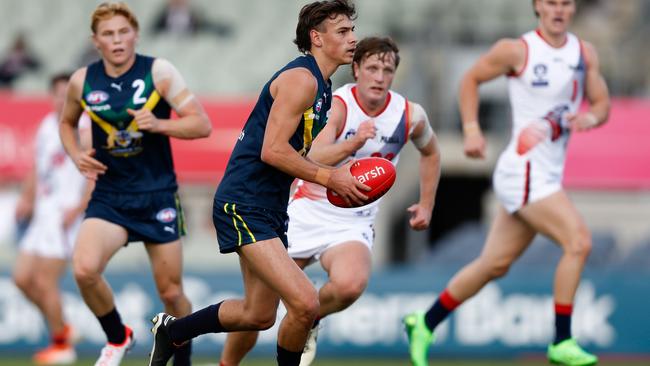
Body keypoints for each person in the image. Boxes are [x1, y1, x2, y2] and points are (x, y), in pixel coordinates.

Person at [147, 1, 364, 366]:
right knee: (306, 303)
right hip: (243, 202)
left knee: (258, 314)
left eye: (352, 30)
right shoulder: (302, 80)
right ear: (317, 38)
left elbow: (292, 154)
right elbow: (273, 151)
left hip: (269, 205)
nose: (353, 38)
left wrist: (337, 168)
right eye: (342, 31)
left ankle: (174, 331)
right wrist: (330, 178)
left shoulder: (322, 86)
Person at [404, 0, 610, 365]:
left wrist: (592, 118)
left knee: (493, 264)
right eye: (551, 3)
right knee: (578, 242)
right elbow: (471, 78)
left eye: (565, 3)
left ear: (574, 8)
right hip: (523, 171)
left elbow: (600, 102)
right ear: (537, 7)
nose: (558, 10)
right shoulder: (518, 49)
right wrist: (470, 129)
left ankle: (425, 321)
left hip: (545, 174)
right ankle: (561, 341)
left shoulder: (584, 53)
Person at [219, 36, 441, 366]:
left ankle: (310, 320)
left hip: (353, 219)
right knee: (258, 309)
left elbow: (431, 152)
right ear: (356, 70)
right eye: (372, 68)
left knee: (351, 285)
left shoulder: (409, 115)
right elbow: (316, 154)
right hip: (308, 208)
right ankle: (227, 364)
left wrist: (426, 203)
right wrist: (353, 144)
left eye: (388, 69)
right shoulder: (337, 103)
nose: (380, 76)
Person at [58, 2, 212, 366]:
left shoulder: (158, 72)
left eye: (123, 32)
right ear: (96, 41)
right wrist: (76, 154)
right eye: (108, 34)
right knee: (83, 269)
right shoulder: (83, 80)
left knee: (172, 293)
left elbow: (201, 124)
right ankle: (118, 336)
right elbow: (66, 123)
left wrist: (160, 124)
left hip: (157, 195)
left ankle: (183, 360)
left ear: (136, 35)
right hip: (110, 197)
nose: (117, 40)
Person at [12, 73, 93, 366]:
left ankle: (62, 345)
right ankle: (64, 328)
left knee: (46, 282)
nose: (62, 99)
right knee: (21, 278)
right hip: (42, 215)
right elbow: (38, 166)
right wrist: (26, 197)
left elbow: (95, 170)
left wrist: (80, 206)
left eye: (67, 93)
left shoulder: (85, 127)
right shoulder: (48, 126)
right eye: (57, 93)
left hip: (65, 215)